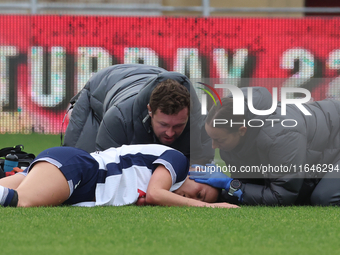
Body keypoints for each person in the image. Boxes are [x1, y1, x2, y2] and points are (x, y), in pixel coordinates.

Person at [190, 86, 340, 206]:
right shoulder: (233, 134)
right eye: (211, 138)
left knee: (324, 198)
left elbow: (281, 196)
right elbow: (250, 185)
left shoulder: (281, 134)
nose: (214, 146)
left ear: (242, 131)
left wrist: (230, 184)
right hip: (326, 149)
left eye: (219, 140)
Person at [0, 144, 238, 208]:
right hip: (81, 169)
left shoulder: (164, 185)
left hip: (76, 178)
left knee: (12, 196)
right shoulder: (178, 161)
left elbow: (153, 195)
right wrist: (213, 208)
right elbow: (156, 194)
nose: (193, 199)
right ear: (197, 175)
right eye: (200, 194)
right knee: (21, 202)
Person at [63, 64, 213, 164]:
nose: (170, 133)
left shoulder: (201, 125)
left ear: (188, 116)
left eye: (178, 125)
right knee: (78, 164)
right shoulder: (118, 118)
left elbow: (201, 171)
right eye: (163, 124)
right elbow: (108, 172)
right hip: (101, 88)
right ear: (150, 110)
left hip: (150, 76)